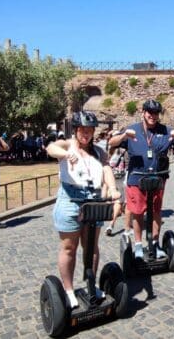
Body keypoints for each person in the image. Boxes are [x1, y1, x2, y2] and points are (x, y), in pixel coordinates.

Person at [46, 111, 120, 307]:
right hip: (70, 199)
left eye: (89, 130)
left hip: (93, 199)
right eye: (82, 130)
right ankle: (69, 290)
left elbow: (106, 169)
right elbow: (51, 148)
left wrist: (113, 188)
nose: (86, 133)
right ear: (76, 130)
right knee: (69, 247)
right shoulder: (67, 145)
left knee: (91, 246)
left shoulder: (99, 152)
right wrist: (65, 154)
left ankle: (91, 285)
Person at [108, 99, 174, 260]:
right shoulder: (132, 129)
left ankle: (155, 244)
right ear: (143, 113)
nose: (153, 115)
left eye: (156, 113)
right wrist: (124, 135)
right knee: (137, 212)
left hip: (158, 178)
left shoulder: (165, 130)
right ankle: (138, 245)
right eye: (150, 112)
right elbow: (112, 142)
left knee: (156, 211)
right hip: (136, 178)